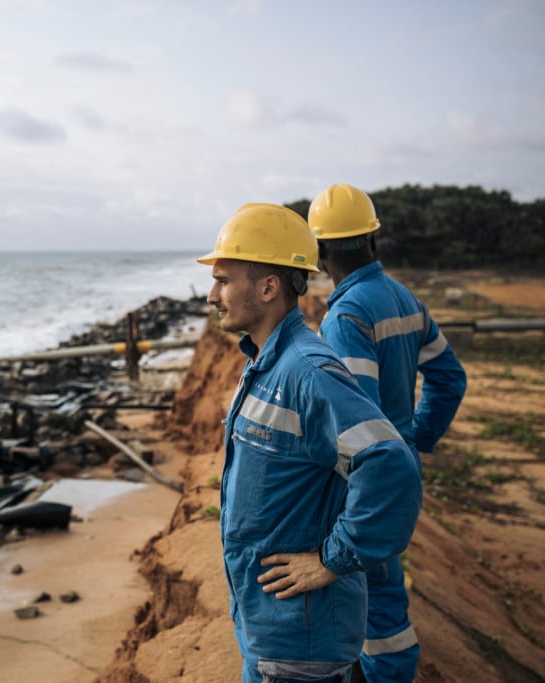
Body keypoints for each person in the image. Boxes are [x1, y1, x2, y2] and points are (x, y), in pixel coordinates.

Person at [198, 202, 423, 683]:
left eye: (222, 280)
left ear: (268, 286)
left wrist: (331, 559)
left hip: (299, 647)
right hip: (269, 629)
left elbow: (390, 462)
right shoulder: (264, 365)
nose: (211, 295)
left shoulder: (307, 371)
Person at [309, 184, 467, 683]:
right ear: (373, 238)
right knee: (378, 592)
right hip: (396, 465)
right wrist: (417, 437)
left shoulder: (347, 315)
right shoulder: (404, 299)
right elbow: (449, 378)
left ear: (319, 252)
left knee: (379, 607)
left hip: (371, 480)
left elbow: (358, 422)